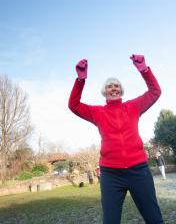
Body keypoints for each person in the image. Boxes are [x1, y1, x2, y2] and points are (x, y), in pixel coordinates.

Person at [69, 54, 164, 224]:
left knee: (154, 218)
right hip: (111, 174)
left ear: (121, 90)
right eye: (110, 86)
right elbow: (74, 105)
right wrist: (80, 79)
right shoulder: (98, 112)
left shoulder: (133, 106)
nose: (114, 88)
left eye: (117, 86)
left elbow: (155, 91)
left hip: (139, 171)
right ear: (104, 91)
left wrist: (144, 69)